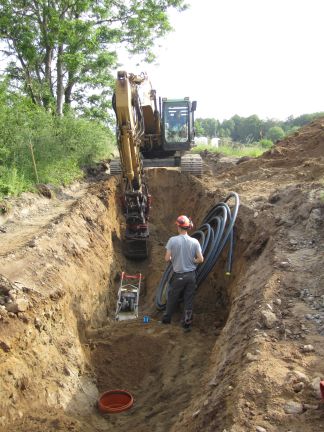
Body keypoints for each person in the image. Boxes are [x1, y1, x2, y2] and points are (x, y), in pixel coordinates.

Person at [162, 215, 204, 331]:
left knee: (172, 297)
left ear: (178, 227)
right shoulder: (195, 241)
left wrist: (174, 259)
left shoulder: (172, 240)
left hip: (178, 276)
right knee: (189, 299)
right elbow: (200, 259)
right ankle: (186, 323)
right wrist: (192, 260)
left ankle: (167, 319)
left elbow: (166, 259)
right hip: (191, 276)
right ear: (188, 227)